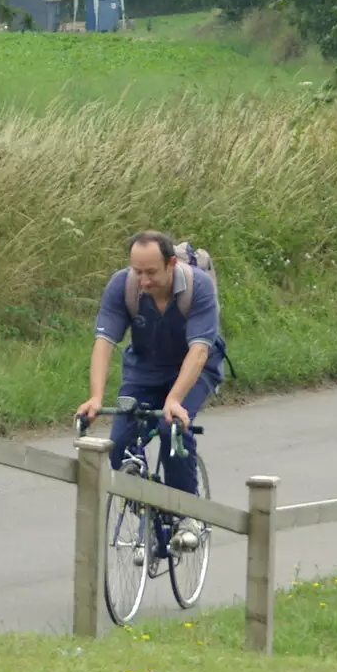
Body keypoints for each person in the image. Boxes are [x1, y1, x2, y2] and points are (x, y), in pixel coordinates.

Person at [76, 231, 224, 548]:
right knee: (116, 448)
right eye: (137, 271)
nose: (143, 280)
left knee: (171, 428)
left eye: (151, 272)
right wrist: (96, 397)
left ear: (171, 264)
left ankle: (188, 514)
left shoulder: (198, 288)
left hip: (195, 368)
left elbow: (198, 351)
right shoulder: (123, 285)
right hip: (145, 370)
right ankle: (147, 505)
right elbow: (104, 344)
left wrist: (173, 400)